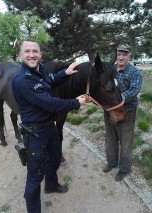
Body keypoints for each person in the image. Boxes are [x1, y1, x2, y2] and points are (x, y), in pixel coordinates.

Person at [12, 38, 86, 213]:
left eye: (35, 51)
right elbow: (50, 103)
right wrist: (76, 103)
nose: (31, 54)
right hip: (35, 133)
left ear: (40, 54)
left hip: (50, 127)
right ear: (20, 54)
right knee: (34, 176)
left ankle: (51, 185)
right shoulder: (23, 80)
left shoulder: (41, 69)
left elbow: (50, 79)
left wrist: (65, 73)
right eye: (27, 51)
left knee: (54, 159)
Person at [102, 44, 142, 182]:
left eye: (124, 54)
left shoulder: (134, 72)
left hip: (127, 111)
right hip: (109, 111)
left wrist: (117, 99)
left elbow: (134, 90)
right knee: (110, 138)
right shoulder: (110, 70)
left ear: (129, 55)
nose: (121, 57)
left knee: (126, 141)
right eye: (119, 54)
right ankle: (111, 163)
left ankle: (124, 169)